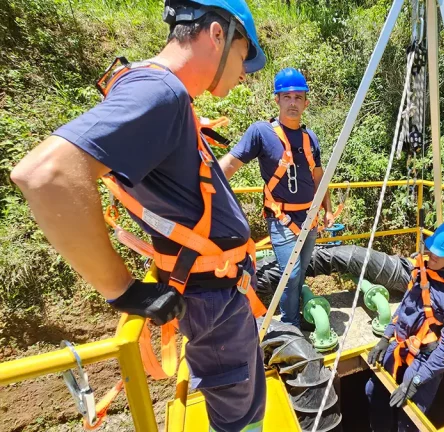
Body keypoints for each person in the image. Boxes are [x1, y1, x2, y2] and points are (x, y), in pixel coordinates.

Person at [11, 1, 270, 431]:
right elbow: (45, 173)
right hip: (213, 299)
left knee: (241, 411)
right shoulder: (161, 93)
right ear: (218, 34)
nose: (244, 72)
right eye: (245, 56)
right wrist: (123, 290)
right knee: (239, 421)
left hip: (220, 295)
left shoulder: (165, 94)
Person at [218, 67, 333, 328]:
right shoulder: (262, 132)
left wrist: (326, 209)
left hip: (309, 218)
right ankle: (289, 323)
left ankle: (295, 315)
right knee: (290, 274)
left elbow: (319, 176)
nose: (293, 102)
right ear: (277, 100)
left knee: (301, 271)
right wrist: (203, 185)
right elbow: (232, 163)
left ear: (306, 102)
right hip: (282, 219)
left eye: (298, 97)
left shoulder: (309, 137)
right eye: (287, 97)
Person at [365, 220, 444, 431]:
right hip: (400, 346)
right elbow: (403, 309)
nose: (432, 255)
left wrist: (416, 380)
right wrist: (384, 337)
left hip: (426, 360)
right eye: (432, 249)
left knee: (409, 419)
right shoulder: (421, 273)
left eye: (440, 253)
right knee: (373, 391)